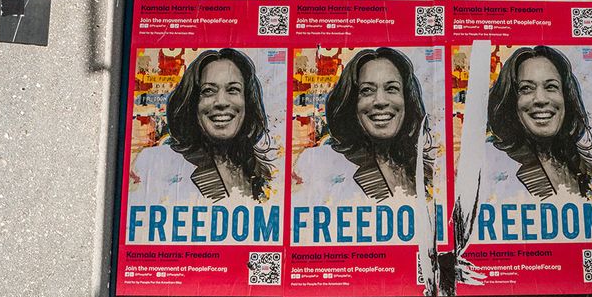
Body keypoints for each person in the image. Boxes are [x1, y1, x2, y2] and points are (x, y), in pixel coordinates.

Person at [292, 48, 436, 206]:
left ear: (407, 100)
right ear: (351, 103)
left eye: (391, 89)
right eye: (367, 90)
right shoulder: (321, 163)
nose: (380, 101)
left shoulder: (426, 170)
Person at [131, 48, 274, 206]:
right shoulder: (157, 163)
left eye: (233, 89)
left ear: (247, 101)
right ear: (192, 104)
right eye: (208, 91)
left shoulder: (262, 173)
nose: (221, 102)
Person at [482, 45, 592, 202]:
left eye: (551, 86)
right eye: (526, 88)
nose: (541, 99)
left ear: (566, 97)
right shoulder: (493, 167)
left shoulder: (587, 169)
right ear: (511, 101)